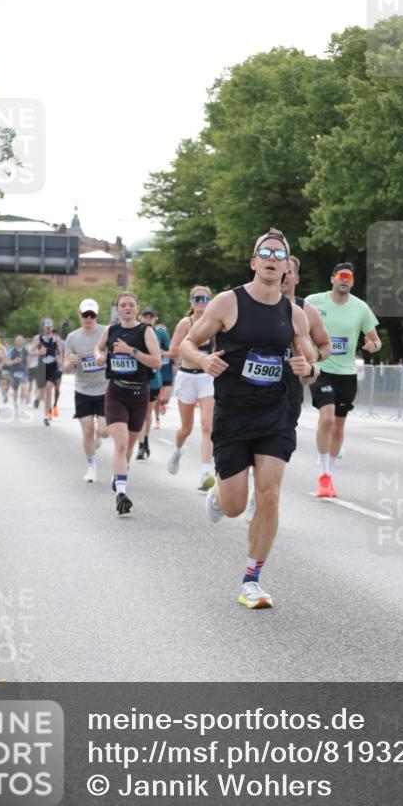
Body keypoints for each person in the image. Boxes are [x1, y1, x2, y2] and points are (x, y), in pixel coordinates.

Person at [179, 231, 318, 609]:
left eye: (280, 254)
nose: (272, 258)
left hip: (274, 415)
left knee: (270, 495)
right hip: (234, 413)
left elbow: (310, 369)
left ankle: (251, 580)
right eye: (265, 253)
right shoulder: (228, 302)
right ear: (254, 262)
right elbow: (188, 346)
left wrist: (308, 368)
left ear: (287, 266)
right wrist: (204, 360)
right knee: (235, 506)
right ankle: (220, 493)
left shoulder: (294, 314)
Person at [306, 263, 381, 498]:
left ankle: (329, 471)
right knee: (326, 419)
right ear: (332, 279)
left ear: (352, 282)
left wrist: (373, 345)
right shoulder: (314, 302)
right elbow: (298, 326)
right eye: (341, 276)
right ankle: (324, 474)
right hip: (321, 368)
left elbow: (376, 340)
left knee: (338, 426)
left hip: (347, 374)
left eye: (349, 277)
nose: (345, 280)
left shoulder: (360, 308)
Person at [94, 292, 162, 514]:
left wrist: (131, 351)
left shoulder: (146, 331)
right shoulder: (111, 330)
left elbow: (157, 362)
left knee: (130, 446)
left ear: (137, 309)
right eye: (123, 305)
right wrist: (99, 356)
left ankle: (120, 474)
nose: (127, 308)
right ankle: (121, 493)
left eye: (131, 305)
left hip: (139, 395)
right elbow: (99, 347)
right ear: (117, 309)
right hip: (116, 392)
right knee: (121, 444)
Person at [167, 286, 216, 491]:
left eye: (205, 298)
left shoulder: (216, 323)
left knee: (207, 426)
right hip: (187, 376)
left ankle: (205, 472)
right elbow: (172, 352)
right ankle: (178, 450)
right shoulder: (185, 323)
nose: (201, 302)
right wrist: (193, 347)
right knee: (186, 428)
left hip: (207, 378)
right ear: (191, 301)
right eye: (197, 298)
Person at [64, 299, 109, 482]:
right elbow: (66, 368)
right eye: (85, 315)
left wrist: (106, 357)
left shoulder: (106, 332)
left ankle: (100, 434)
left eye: (92, 315)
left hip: (105, 388)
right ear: (80, 315)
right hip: (82, 389)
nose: (89, 318)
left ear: (97, 316)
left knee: (105, 431)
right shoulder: (72, 337)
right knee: (87, 430)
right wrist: (70, 362)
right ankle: (91, 466)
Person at [136, 306, 171, 461]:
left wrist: (159, 353)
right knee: (141, 413)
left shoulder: (161, 334)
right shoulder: (134, 332)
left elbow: (172, 352)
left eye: (151, 317)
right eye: (145, 316)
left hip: (154, 379)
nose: (148, 319)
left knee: (147, 414)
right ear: (140, 317)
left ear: (155, 319)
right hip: (137, 378)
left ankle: (145, 440)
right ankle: (141, 445)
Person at [30, 319, 64, 426]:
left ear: (52, 327)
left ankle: (47, 415)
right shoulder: (37, 338)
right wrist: (38, 352)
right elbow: (31, 351)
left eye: (50, 326)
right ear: (43, 327)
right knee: (42, 391)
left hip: (52, 367)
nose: (48, 328)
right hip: (41, 367)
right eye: (46, 326)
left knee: (49, 388)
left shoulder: (56, 339)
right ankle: (38, 399)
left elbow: (60, 352)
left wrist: (60, 361)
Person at [3, 335, 28, 411]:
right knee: (15, 389)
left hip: (23, 372)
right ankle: (15, 403)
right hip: (14, 372)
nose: (19, 342)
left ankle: (21, 403)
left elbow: (30, 359)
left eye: (21, 340)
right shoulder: (11, 351)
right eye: (18, 340)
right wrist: (14, 361)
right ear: (15, 342)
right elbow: (6, 361)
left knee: (24, 386)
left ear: (23, 341)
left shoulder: (25, 350)